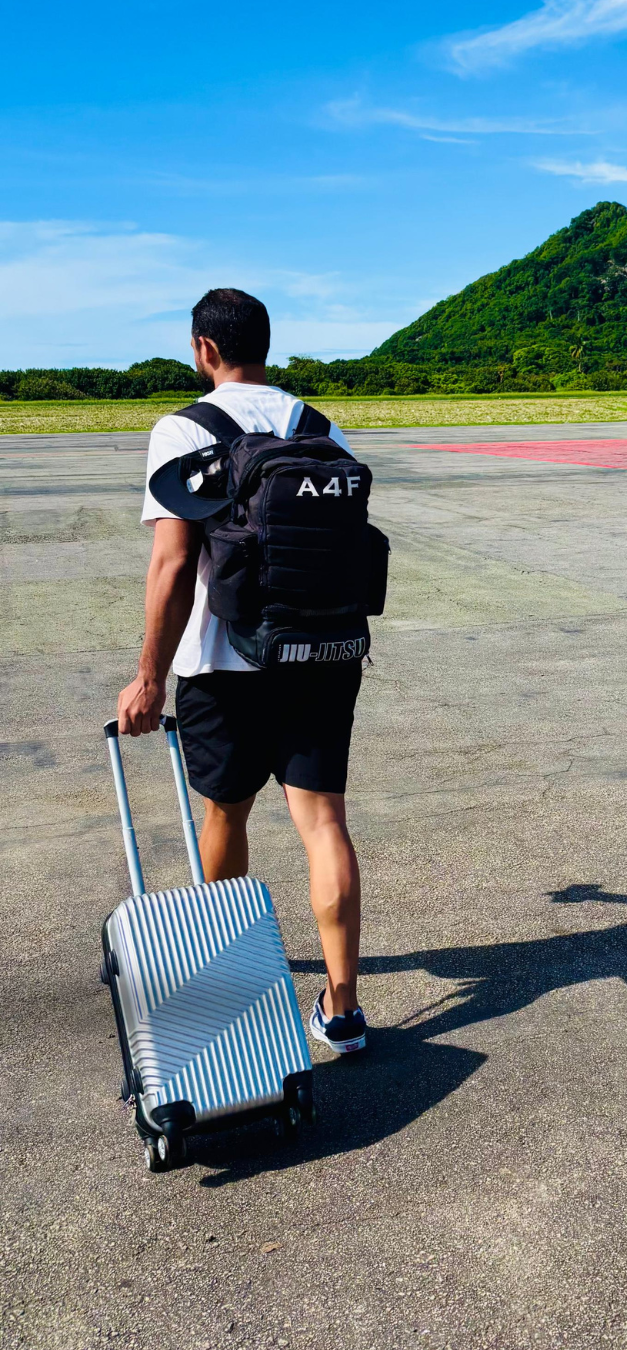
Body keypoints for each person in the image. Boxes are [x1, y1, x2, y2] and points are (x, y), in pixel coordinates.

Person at [116, 288, 368, 1055]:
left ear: (204, 348)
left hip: (223, 663)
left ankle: (232, 981)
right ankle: (344, 1009)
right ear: (266, 343)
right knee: (324, 824)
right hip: (322, 655)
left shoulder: (184, 430)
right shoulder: (320, 428)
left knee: (226, 817)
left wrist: (149, 677)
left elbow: (172, 566)